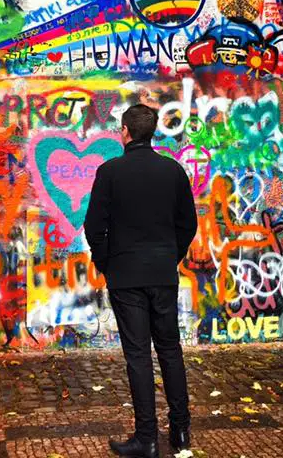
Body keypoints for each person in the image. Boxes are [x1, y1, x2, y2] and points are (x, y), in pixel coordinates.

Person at [84, 104, 198, 458]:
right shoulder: (173, 171)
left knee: (138, 355)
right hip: (163, 274)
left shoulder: (110, 172)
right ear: (152, 132)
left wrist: (108, 264)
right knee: (170, 350)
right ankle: (180, 432)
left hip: (126, 276)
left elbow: (93, 226)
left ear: (125, 132)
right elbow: (188, 223)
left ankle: (146, 439)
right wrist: (170, 256)